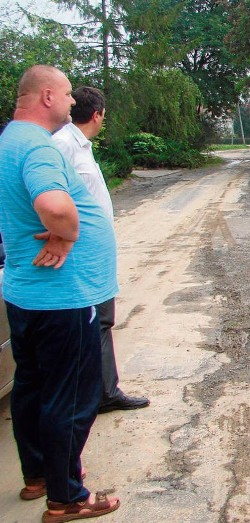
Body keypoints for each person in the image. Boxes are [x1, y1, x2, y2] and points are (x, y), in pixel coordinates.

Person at [0, 65, 120, 522]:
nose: (74, 103)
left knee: (31, 386)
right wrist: (65, 236)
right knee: (70, 397)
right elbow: (54, 205)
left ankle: (39, 477)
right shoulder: (36, 147)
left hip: (27, 293)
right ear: (47, 96)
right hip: (64, 297)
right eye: (69, 94)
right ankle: (67, 496)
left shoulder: (9, 139)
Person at [53, 86, 150, 414]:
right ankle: (94, 395)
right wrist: (58, 234)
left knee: (103, 321)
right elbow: (49, 197)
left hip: (96, 251)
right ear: (98, 115)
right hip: (81, 253)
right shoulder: (62, 145)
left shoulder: (80, 145)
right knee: (94, 323)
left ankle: (105, 391)